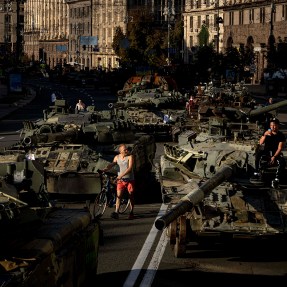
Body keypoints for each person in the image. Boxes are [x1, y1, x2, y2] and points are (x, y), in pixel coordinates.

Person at [103, 144, 135, 220]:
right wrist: (106, 168)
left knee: (131, 196)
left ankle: (131, 212)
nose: (127, 150)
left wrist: (121, 175)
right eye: (125, 150)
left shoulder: (130, 157)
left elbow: (129, 168)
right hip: (120, 181)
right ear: (120, 151)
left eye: (127, 149)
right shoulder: (117, 157)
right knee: (118, 196)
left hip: (129, 180)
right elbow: (112, 164)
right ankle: (116, 212)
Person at [253, 118, 286, 188]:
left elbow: (280, 148)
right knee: (258, 155)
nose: (272, 127)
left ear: (277, 126)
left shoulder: (281, 135)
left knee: (282, 162)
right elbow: (260, 143)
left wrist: (274, 156)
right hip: (267, 151)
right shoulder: (266, 133)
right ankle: (256, 173)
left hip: (275, 152)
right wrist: (265, 135)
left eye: (274, 125)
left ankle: (277, 178)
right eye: (271, 125)